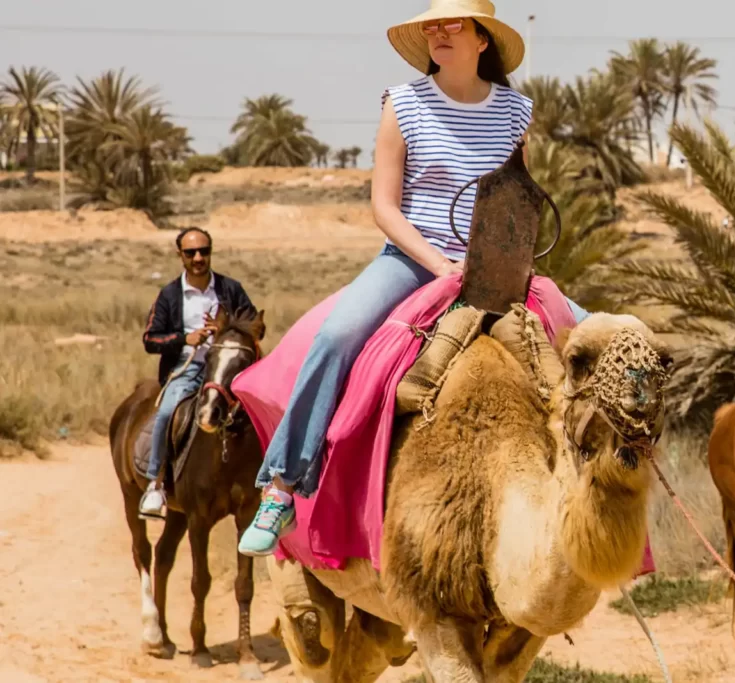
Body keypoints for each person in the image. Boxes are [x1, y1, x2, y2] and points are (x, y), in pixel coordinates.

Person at [237, 0, 591, 556]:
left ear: (482, 41)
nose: (439, 32)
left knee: (597, 336)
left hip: (495, 265)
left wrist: (504, 262)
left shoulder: (517, 112)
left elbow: (519, 201)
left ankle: (588, 502)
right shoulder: (402, 104)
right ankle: (282, 486)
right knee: (336, 336)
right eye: (432, 24)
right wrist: (439, 264)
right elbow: (385, 207)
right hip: (410, 261)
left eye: (454, 24)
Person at [139, 227, 256, 520]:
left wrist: (226, 329)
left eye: (204, 251)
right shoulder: (169, 295)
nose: (198, 257)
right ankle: (155, 483)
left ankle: (269, 481)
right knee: (167, 413)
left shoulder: (231, 289)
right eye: (191, 252)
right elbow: (150, 339)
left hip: (228, 367)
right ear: (180, 255)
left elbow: (254, 325)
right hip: (187, 368)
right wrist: (184, 339)